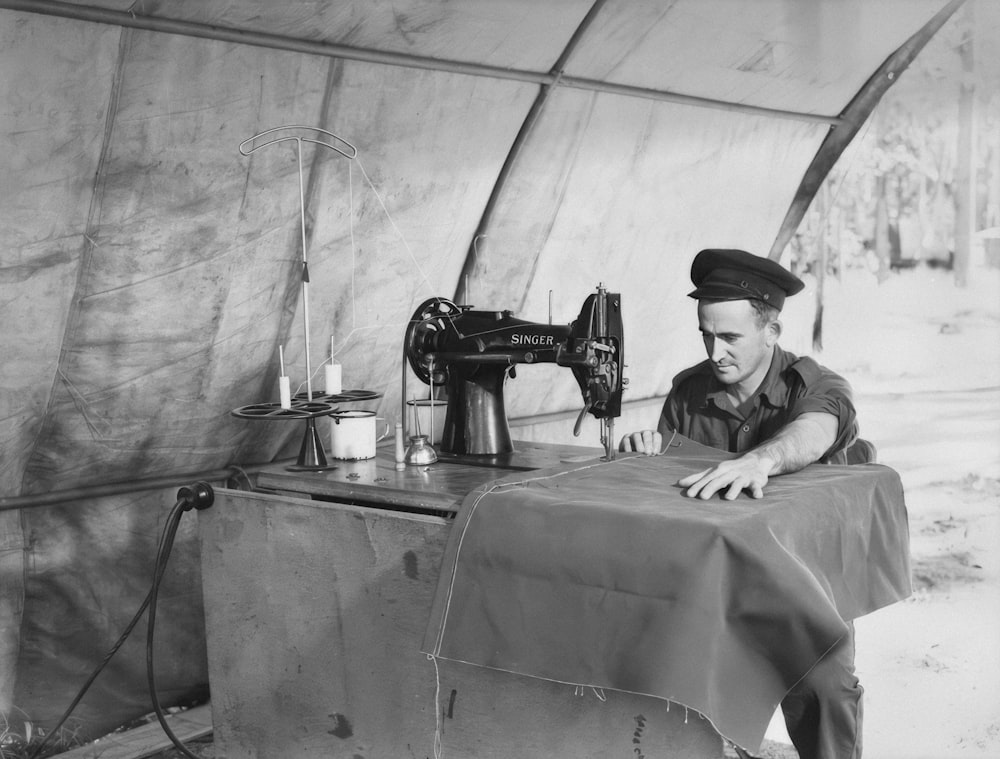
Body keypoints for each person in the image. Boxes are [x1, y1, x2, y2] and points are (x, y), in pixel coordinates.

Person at [620, 248, 864, 759]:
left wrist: (762, 461)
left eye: (730, 337)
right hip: (717, 580)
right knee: (660, 675)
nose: (715, 351)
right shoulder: (688, 395)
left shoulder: (815, 387)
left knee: (826, 691)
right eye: (706, 335)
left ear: (771, 332)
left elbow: (815, 432)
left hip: (803, 580)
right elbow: (670, 497)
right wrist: (644, 457)